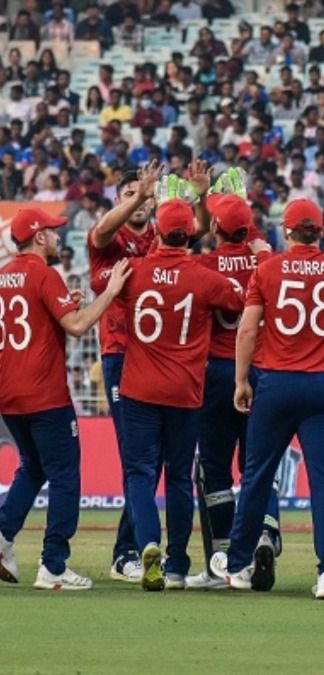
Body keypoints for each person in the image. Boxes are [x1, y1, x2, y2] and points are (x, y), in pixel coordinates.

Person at [211, 199, 324, 600]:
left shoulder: (268, 270)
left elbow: (246, 331)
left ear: (287, 231)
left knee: (257, 475)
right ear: (320, 232)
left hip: (277, 382)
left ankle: (240, 562)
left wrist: (242, 380)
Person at [116, 199, 244, 591]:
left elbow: (106, 289)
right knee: (179, 479)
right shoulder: (202, 276)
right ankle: (176, 565)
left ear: (158, 230)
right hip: (185, 390)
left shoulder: (135, 271)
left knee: (140, 473)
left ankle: (147, 545)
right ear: (190, 233)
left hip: (138, 386)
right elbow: (238, 301)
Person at [0, 208, 131, 591]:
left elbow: (41, 317)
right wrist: (109, 292)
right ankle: (53, 565)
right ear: (38, 237)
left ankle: (3, 535)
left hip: (9, 394)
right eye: (53, 231)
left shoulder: (5, 275)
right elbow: (76, 326)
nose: (59, 236)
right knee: (65, 477)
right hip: (44, 394)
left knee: (34, 468)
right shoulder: (44, 273)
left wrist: (65, 303)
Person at [186, 194, 282, 590]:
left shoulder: (203, 265)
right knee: (260, 464)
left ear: (213, 228)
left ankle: (223, 559)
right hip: (262, 370)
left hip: (217, 373)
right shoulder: (270, 265)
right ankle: (265, 534)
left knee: (214, 469)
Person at [86, 161, 164, 584]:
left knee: (155, 460)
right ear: (119, 201)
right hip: (119, 355)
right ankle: (125, 553)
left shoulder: (160, 238)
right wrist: (140, 194)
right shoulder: (106, 241)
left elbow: (200, 232)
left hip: (159, 358)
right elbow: (100, 232)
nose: (139, 202)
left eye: (144, 196)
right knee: (139, 460)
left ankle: (130, 549)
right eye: (130, 194)